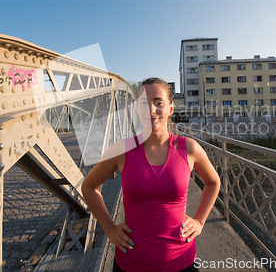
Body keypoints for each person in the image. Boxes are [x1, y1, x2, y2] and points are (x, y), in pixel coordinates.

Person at [82, 77, 220, 272]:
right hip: (131, 264)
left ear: (171, 108)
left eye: (158, 103)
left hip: (182, 262)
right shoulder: (122, 149)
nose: (151, 110)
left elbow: (213, 182)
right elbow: (89, 187)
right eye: (143, 104)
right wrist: (110, 228)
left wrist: (199, 221)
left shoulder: (188, 148)